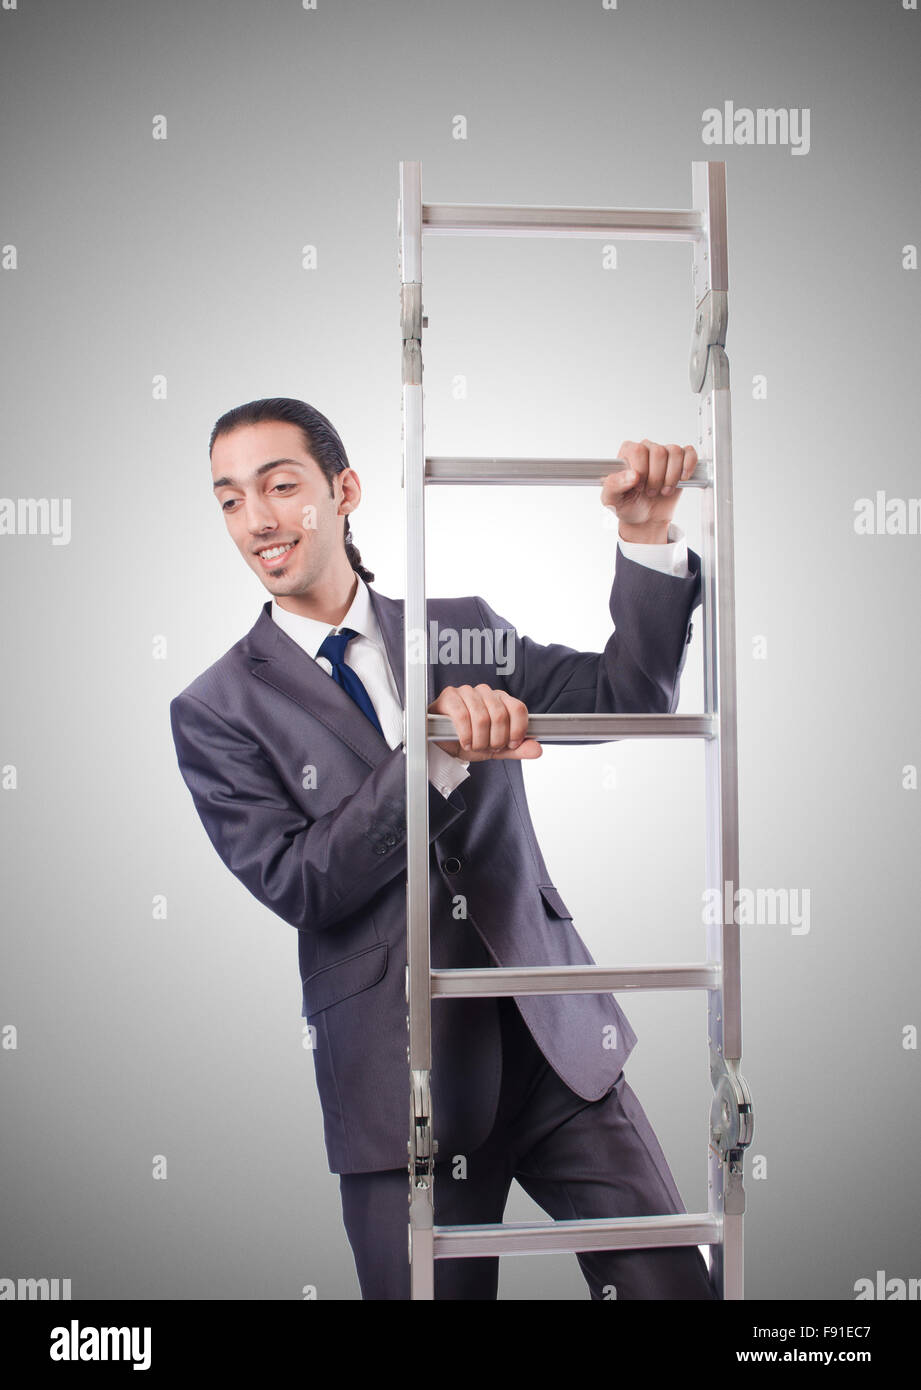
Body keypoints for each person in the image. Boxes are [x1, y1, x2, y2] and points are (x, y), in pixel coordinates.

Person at [169, 395, 715, 1300]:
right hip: (400, 1083)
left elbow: (633, 694)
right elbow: (302, 883)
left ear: (343, 491)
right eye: (230, 499)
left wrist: (647, 534)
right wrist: (428, 753)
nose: (257, 519)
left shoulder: (457, 625)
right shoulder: (216, 709)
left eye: (279, 485)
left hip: (555, 1044)